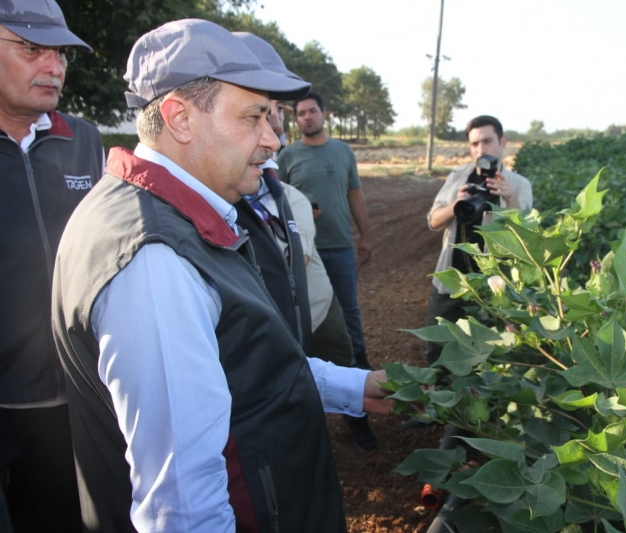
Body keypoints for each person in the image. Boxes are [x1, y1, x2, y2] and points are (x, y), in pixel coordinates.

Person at [51, 19, 392, 532]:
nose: (273, 139)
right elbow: (183, 506)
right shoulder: (154, 260)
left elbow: (241, 364)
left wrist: (355, 384)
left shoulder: (177, 218)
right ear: (180, 119)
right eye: (254, 117)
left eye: (273, 119)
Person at [233, 31, 378, 452]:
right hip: (272, 309)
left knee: (341, 343)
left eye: (274, 112)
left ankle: (358, 421)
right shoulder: (234, 180)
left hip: (317, 297)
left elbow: (353, 196)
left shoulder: (288, 184)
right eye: (259, 113)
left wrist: (358, 234)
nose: (273, 126)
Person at [0, 1, 102, 531]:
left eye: (60, 52)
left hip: (74, 401)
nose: (54, 66)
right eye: (31, 48)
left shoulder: (83, 141)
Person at [424, 115, 533, 367]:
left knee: (490, 357)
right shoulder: (459, 176)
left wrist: (509, 200)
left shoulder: (518, 185)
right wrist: (456, 204)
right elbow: (433, 221)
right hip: (451, 281)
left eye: (487, 141)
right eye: (474, 144)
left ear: (502, 142)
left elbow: (526, 237)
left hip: (494, 286)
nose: (481, 150)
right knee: (438, 351)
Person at [278, 91, 373, 370]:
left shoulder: (343, 151)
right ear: (296, 120)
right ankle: (313, 369)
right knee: (310, 312)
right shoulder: (287, 156)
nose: (307, 117)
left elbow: (355, 195)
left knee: (349, 310)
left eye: (312, 111)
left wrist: (365, 236)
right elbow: (278, 199)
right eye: (301, 114)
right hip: (307, 252)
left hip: (341, 245)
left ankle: (360, 365)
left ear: (324, 114)